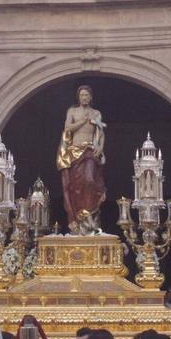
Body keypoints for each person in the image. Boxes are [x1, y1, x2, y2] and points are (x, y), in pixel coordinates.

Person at [57, 85, 108, 234]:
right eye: (81, 95)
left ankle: (90, 211)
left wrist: (101, 147)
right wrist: (83, 121)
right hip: (74, 152)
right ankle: (78, 217)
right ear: (78, 97)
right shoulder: (72, 111)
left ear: (90, 97)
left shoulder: (96, 113)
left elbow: (101, 133)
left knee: (90, 180)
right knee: (75, 186)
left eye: (86, 95)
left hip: (90, 151)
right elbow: (67, 128)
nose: (84, 97)